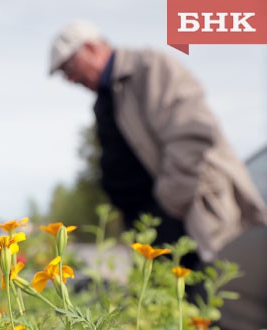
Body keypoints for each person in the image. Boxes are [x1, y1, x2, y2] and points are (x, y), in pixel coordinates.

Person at [48, 21, 267, 265]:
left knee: (210, 292)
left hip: (189, 215)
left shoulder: (150, 67)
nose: (70, 79)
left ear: (91, 48)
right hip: (149, 226)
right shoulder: (106, 98)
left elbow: (193, 132)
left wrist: (169, 202)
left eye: (68, 67)